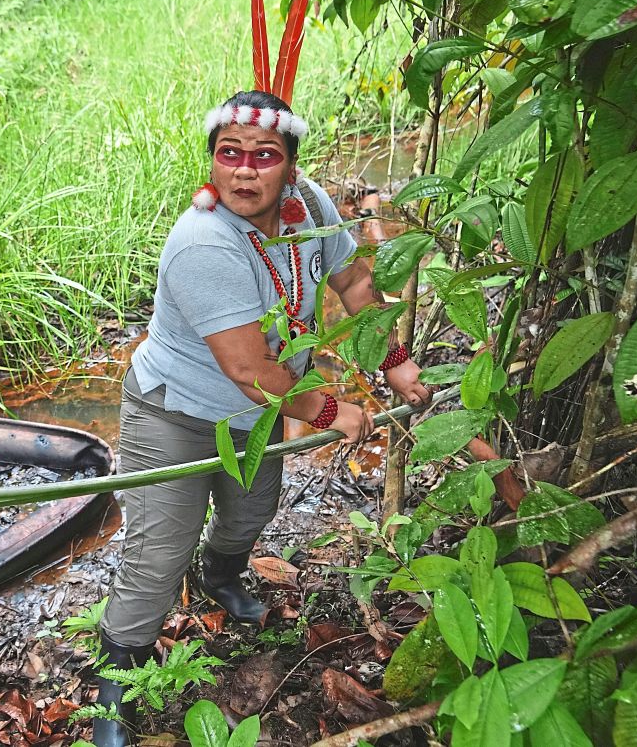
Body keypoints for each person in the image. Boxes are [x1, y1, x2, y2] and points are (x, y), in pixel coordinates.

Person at [90, 89, 431, 746]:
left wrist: (396, 363)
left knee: (250, 512)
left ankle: (219, 575)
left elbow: (355, 284)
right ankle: (117, 682)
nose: (245, 170)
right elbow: (249, 372)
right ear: (213, 165)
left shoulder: (310, 209)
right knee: (157, 555)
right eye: (229, 154)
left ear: (292, 168)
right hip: (177, 412)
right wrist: (333, 409)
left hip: (260, 416)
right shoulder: (203, 244)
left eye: (264, 155)